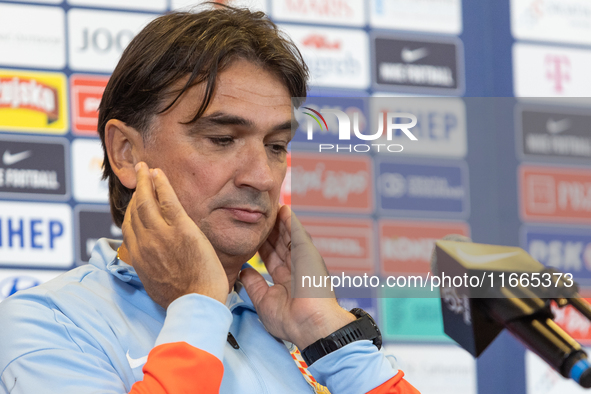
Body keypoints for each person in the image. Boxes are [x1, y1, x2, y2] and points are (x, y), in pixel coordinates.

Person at [0, 5, 419, 394]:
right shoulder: (47, 325)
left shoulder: (297, 332)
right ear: (126, 153)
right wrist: (197, 309)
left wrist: (330, 337)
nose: (260, 177)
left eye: (276, 146)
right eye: (222, 139)